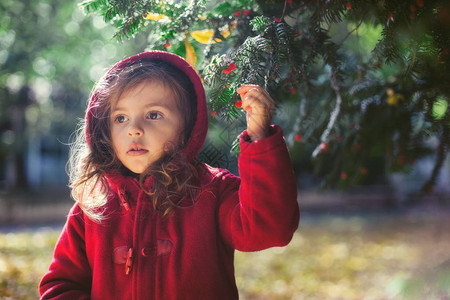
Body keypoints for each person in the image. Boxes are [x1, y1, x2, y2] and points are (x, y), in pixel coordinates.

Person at [39, 51, 299, 299]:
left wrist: (260, 139)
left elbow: (270, 229)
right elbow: (61, 285)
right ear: (103, 129)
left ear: (188, 127)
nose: (134, 129)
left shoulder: (214, 191)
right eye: (120, 118)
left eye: (154, 115)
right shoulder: (93, 208)